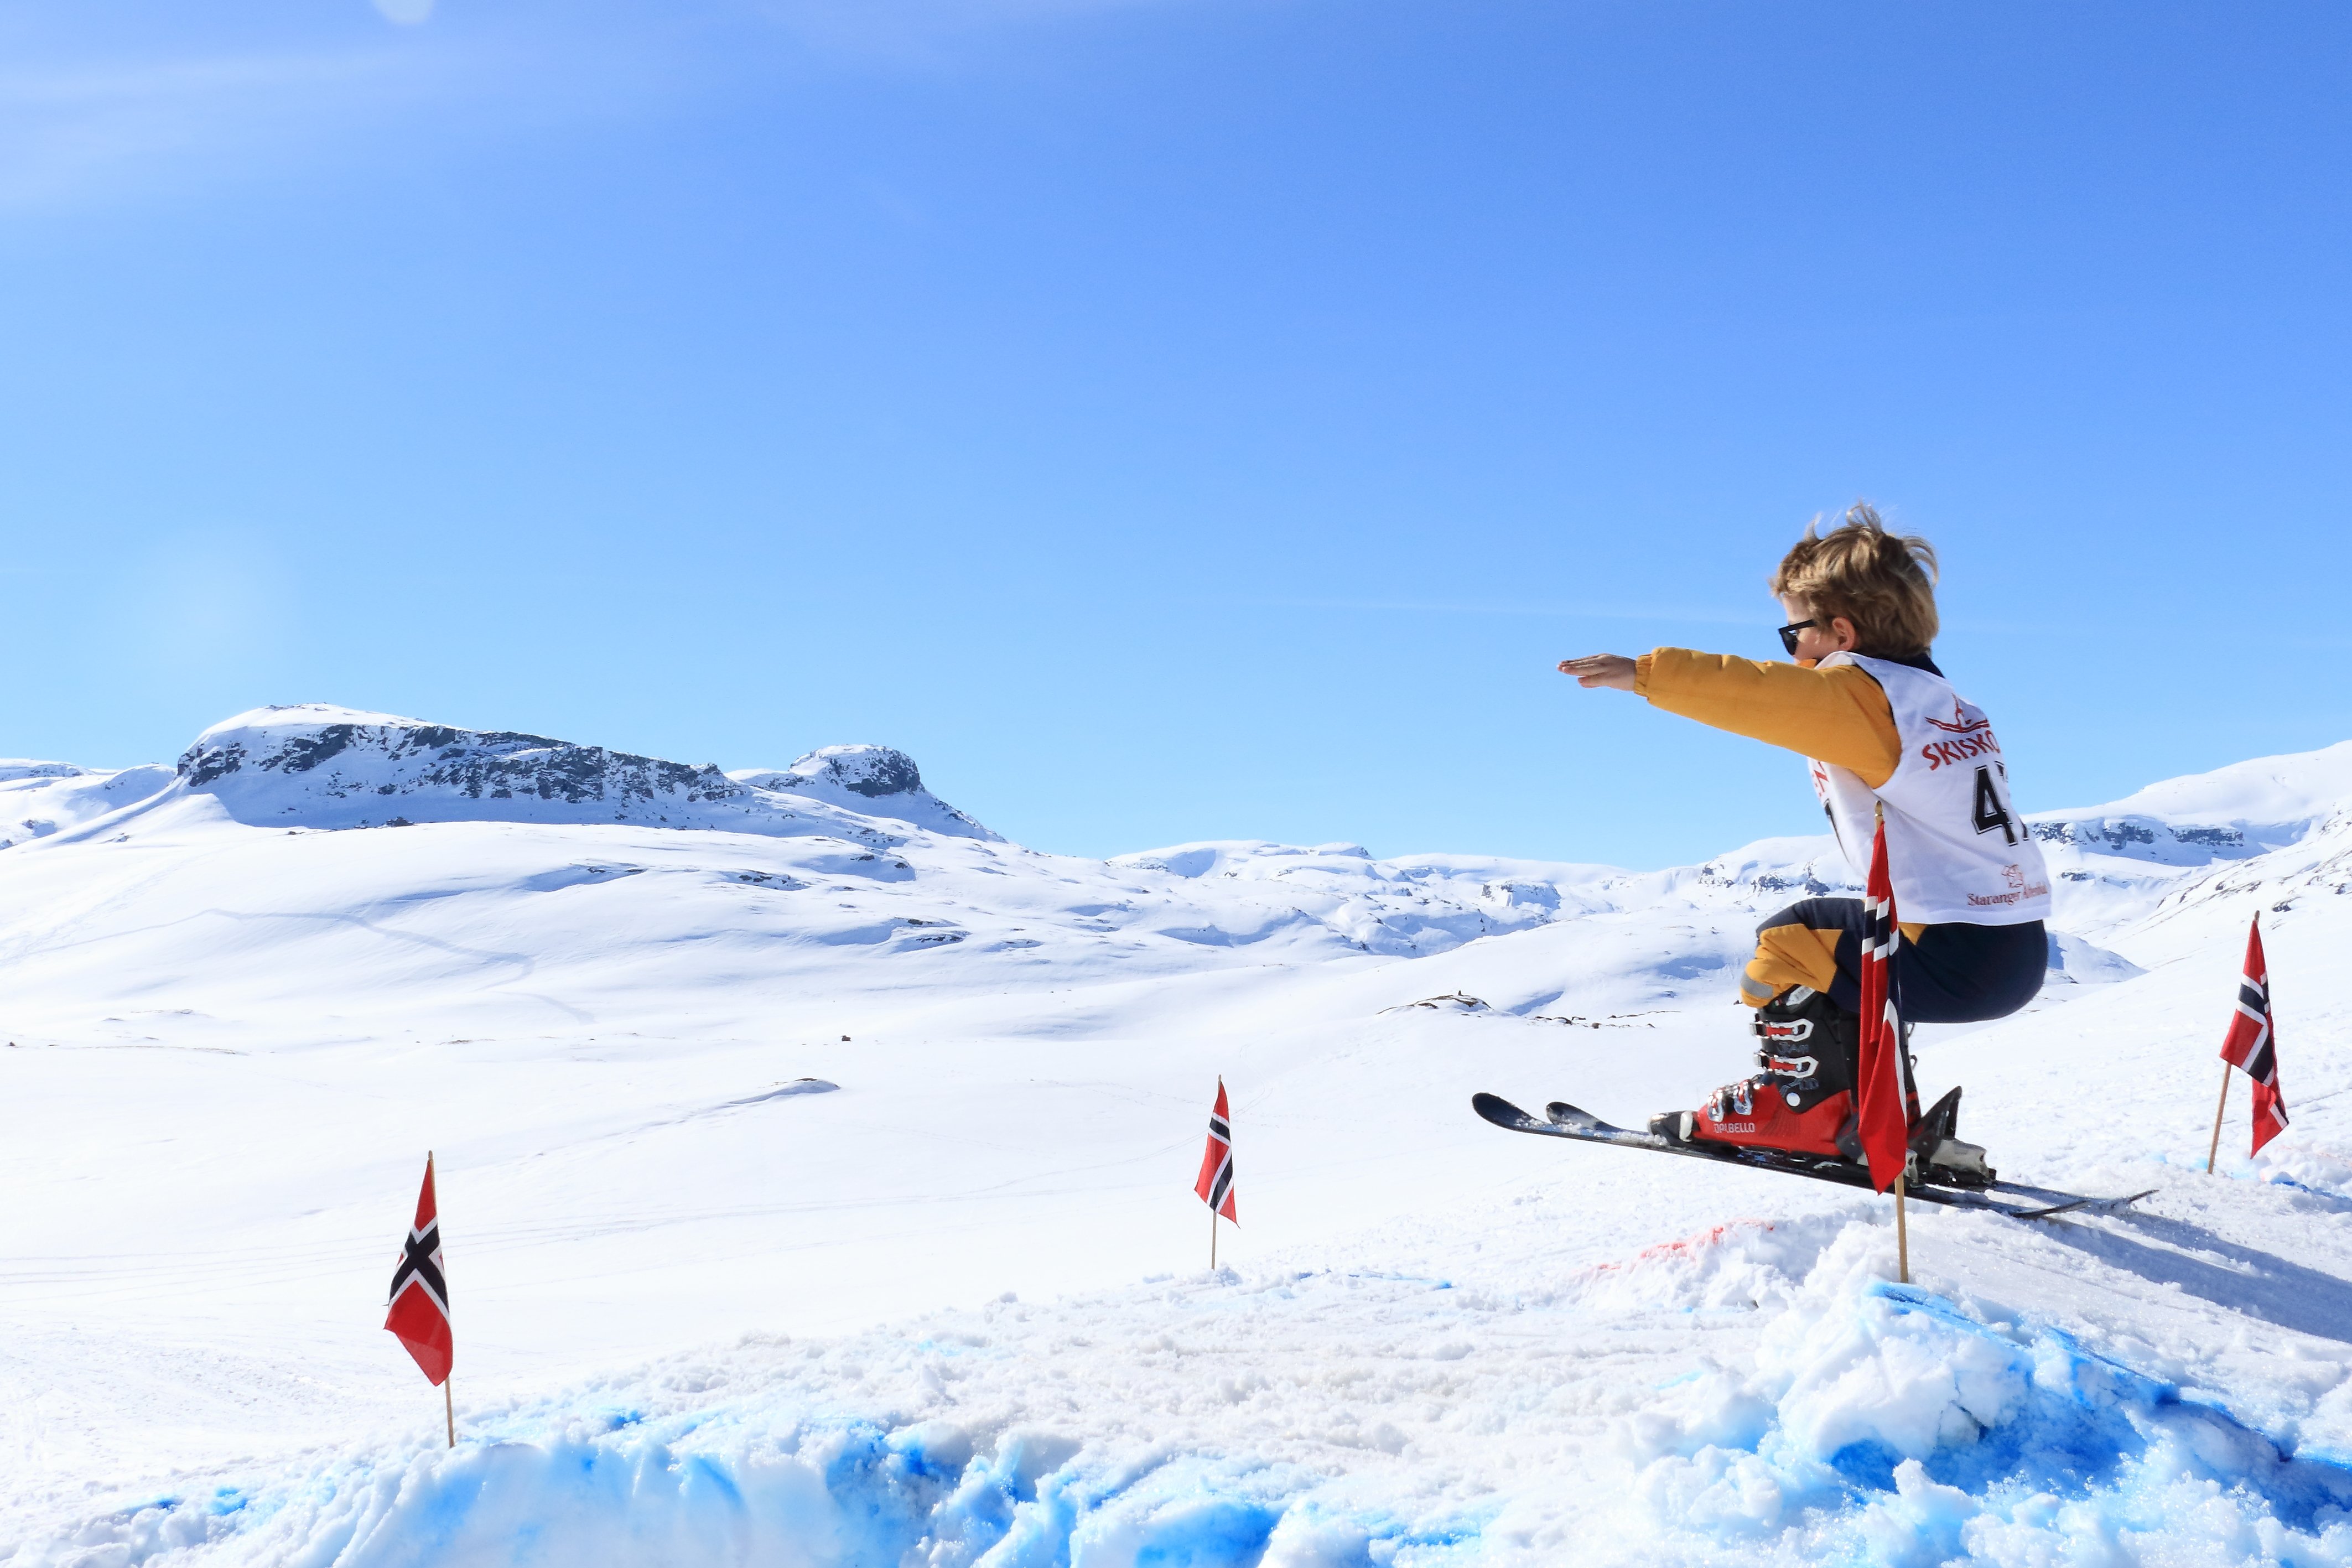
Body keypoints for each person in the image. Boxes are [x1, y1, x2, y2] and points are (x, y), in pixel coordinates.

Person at [1557, 504, 2049, 1172]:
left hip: (1953, 953)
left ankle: (1805, 1115)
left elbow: (1761, 695)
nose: (1786, 653)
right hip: (2008, 948)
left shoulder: (1864, 693)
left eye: (1793, 634)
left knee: (1788, 943)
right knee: (1836, 948)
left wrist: (1644, 673)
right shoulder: (1936, 700)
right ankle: (1883, 1118)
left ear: (1839, 632)